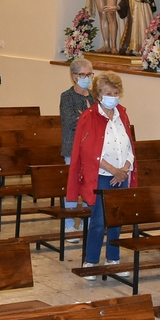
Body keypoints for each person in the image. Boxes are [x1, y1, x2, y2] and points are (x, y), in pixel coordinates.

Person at [67, 71, 135, 280]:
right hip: (102, 175)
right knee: (98, 220)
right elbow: (88, 151)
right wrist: (113, 170)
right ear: (98, 94)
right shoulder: (89, 116)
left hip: (121, 175)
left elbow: (129, 145)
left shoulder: (122, 113)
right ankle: (91, 260)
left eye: (116, 92)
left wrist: (124, 168)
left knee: (117, 220)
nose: (113, 96)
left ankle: (113, 259)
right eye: (108, 92)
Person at [60, 57, 95, 240]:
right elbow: (70, 121)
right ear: (74, 76)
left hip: (92, 149)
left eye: (89, 74)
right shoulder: (67, 97)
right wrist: (88, 116)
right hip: (72, 147)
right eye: (83, 74)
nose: (87, 78)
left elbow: (100, 121)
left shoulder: (94, 96)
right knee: (73, 186)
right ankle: (69, 226)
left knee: (90, 185)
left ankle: (87, 222)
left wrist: (85, 116)